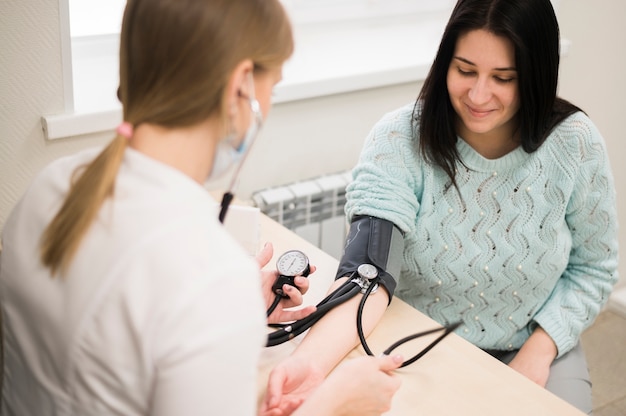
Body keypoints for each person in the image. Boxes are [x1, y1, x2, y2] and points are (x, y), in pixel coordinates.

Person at [0, 0, 402, 415]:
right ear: (242, 86)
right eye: (272, 87)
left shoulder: (50, 185)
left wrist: (232, 318)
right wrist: (336, 403)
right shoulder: (206, 273)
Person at [262, 0, 619, 414]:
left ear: (536, 75)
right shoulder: (397, 140)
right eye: (465, 70)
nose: (478, 94)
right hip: (409, 338)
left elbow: (594, 269)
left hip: (534, 341)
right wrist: (308, 364)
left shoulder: (575, 144)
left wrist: (539, 352)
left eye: (503, 78)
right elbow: (367, 272)